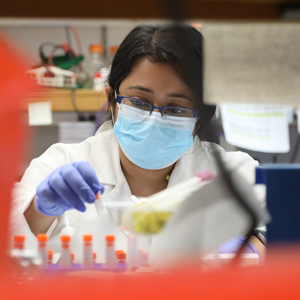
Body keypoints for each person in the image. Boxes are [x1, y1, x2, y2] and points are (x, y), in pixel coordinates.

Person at [11, 24, 265, 264]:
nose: (155, 118)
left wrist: (255, 248)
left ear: (200, 118)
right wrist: (40, 210)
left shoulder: (235, 175)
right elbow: (11, 252)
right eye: (139, 102)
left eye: (176, 108)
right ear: (112, 99)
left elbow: (286, 232)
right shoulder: (59, 164)